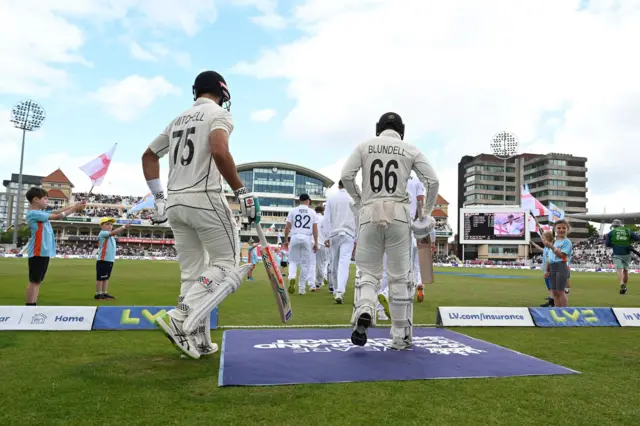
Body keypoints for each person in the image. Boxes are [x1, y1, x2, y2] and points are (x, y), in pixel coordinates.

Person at [141, 70, 260, 360]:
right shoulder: (219, 114)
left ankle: (199, 339)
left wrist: (159, 199)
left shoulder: (177, 119)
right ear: (223, 91)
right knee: (228, 264)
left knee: (192, 273)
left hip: (175, 203)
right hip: (204, 197)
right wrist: (241, 191)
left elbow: (148, 156)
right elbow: (219, 151)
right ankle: (180, 317)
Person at [340, 112, 439, 349]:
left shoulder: (364, 146)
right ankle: (400, 336)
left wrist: (359, 199)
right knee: (399, 277)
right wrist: (426, 213)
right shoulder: (410, 149)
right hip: (399, 216)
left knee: (368, 272)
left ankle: (365, 308)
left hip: (369, 213)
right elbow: (433, 181)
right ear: (401, 130)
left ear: (379, 128)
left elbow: (346, 176)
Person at [24, 187, 85, 306]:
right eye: (46, 199)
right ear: (36, 199)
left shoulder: (40, 213)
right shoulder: (34, 213)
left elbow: (56, 212)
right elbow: (58, 216)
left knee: (37, 281)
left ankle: (33, 304)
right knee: (34, 281)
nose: (47, 201)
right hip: (38, 251)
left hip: (43, 251)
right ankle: (29, 306)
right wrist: (74, 208)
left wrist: (74, 206)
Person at [323, 181, 357, 304]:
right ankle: (339, 291)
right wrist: (357, 237)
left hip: (334, 233)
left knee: (334, 263)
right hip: (348, 233)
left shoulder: (331, 198)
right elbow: (357, 218)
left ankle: (336, 289)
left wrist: (326, 236)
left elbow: (326, 219)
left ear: (339, 186)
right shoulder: (353, 198)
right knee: (344, 263)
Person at [283, 194, 319, 295]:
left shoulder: (293, 211)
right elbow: (315, 229)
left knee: (293, 261)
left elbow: (287, 227)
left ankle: (292, 277)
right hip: (307, 237)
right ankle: (301, 288)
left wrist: (286, 239)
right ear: (308, 201)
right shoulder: (312, 212)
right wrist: (316, 242)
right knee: (305, 264)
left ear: (299, 201)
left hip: (295, 236)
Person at [95, 217, 130, 300]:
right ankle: (98, 294)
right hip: (103, 260)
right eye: (107, 224)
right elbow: (113, 233)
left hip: (109, 260)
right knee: (100, 278)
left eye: (111, 224)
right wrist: (124, 227)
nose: (110, 226)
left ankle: (104, 293)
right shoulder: (103, 233)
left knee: (106, 278)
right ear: (101, 226)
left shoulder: (110, 235)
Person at [605, 219, 640, 295]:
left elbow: (607, 244)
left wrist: (615, 244)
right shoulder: (628, 230)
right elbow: (638, 238)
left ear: (613, 226)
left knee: (619, 269)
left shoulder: (611, 233)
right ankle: (625, 287)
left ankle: (621, 283)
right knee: (625, 270)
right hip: (627, 253)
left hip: (617, 253)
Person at [543, 220, 572, 307]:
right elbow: (549, 258)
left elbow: (562, 256)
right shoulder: (554, 242)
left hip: (561, 267)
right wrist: (547, 270)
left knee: (560, 291)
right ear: (555, 229)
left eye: (564, 228)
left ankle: (565, 311)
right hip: (552, 268)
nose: (561, 230)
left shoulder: (567, 242)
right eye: (558, 228)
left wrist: (551, 247)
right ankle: (557, 311)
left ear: (567, 229)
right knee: (554, 292)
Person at [530, 230, 555, 307]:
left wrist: (547, 270)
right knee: (549, 287)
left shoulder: (551, 248)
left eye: (543, 239)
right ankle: (551, 299)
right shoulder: (546, 248)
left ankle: (552, 302)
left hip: (548, 271)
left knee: (551, 287)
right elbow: (540, 249)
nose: (542, 240)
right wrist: (533, 243)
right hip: (545, 270)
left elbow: (549, 260)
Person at [314, 205, 329, 290]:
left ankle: (310, 282)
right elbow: (327, 231)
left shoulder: (313, 217)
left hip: (311, 242)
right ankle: (318, 283)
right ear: (322, 211)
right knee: (321, 264)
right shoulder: (324, 219)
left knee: (310, 264)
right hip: (321, 242)